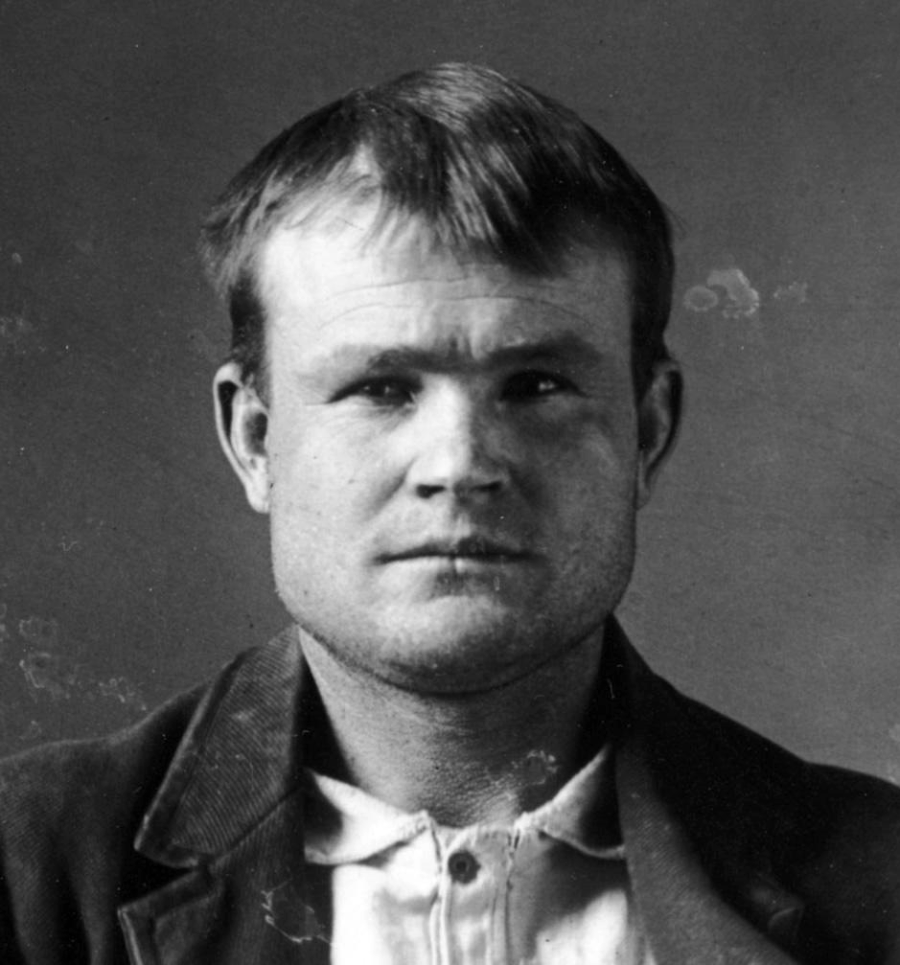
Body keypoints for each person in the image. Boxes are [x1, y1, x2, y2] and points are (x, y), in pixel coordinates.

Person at [0, 62, 898, 965]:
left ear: (648, 433)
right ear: (256, 440)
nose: (461, 464)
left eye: (537, 385)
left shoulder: (882, 879)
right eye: (382, 387)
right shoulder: (23, 870)